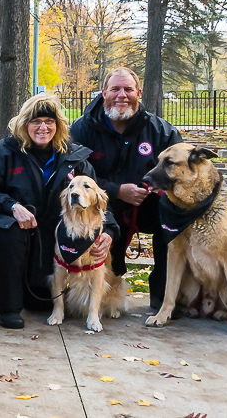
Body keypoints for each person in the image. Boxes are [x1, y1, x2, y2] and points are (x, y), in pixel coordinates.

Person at [0, 94, 120, 329]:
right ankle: (9, 309)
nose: (43, 127)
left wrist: (110, 231)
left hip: (55, 234)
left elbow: (99, 201)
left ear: (58, 125)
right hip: (19, 229)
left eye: (49, 121)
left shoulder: (76, 158)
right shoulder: (3, 152)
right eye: (36, 121)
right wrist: (12, 206)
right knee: (7, 233)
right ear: (24, 124)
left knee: (40, 304)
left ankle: (60, 298)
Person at [69, 67, 182, 309]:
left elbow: (181, 170)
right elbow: (75, 175)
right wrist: (118, 190)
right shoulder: (81, 129)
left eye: (128, 89)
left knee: (171, 222)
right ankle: (101, 295)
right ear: (103, 93)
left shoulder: (162, 131)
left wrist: (153, 188)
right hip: (102, 205)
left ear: (139, 92)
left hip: (149, 203)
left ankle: (164, 299)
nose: (122, 95)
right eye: (115, 89)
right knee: (105, 242)